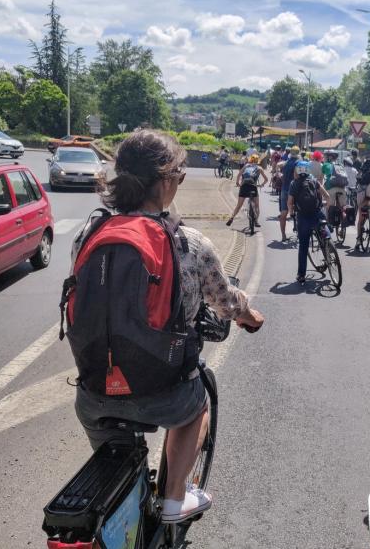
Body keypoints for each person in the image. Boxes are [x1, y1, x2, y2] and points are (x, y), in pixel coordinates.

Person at [73, 130, 264, 522]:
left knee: (112, 461)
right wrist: (250, 316)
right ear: (164, 181)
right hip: (163, 391)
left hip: (94, 391)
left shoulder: (87, 234)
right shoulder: (187, 243)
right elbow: (225, 300)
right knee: (196, 410)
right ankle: (175, 499)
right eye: (179, 176)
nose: (179, 183)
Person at [287, 160, 330, 285]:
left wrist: (291, 213)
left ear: (297, 171)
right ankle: (329, 246)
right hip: (316, 214)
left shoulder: (294, 184)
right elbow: (326, 195)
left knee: (303, 246)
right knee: (325, 230)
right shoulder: (314, 180)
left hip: (303, 217)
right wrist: (326, 204)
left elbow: (290, 202)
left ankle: (301, 275)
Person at [226, 154, 268, 227]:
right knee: (257, 206)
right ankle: (256, 221)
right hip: (253, 187)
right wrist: (261, 185)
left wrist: (238, 183)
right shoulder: (259, 168)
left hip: (244, 186)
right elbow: (266, 179)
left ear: (250, 160)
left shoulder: (246, 166)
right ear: (258, 161)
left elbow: (239, 175)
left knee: (239, 205)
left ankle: (231, 218)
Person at [278, 146, 301, 241]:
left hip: (284, 189)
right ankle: (300, 232)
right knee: (300, 211)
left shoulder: (286, 162)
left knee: (283, 213)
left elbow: (278, 165)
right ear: (298, 153)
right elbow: (298, 177)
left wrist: (277, 173)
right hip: (294, 190)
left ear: (291, 153)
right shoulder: (298, 162)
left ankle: (283, 235)